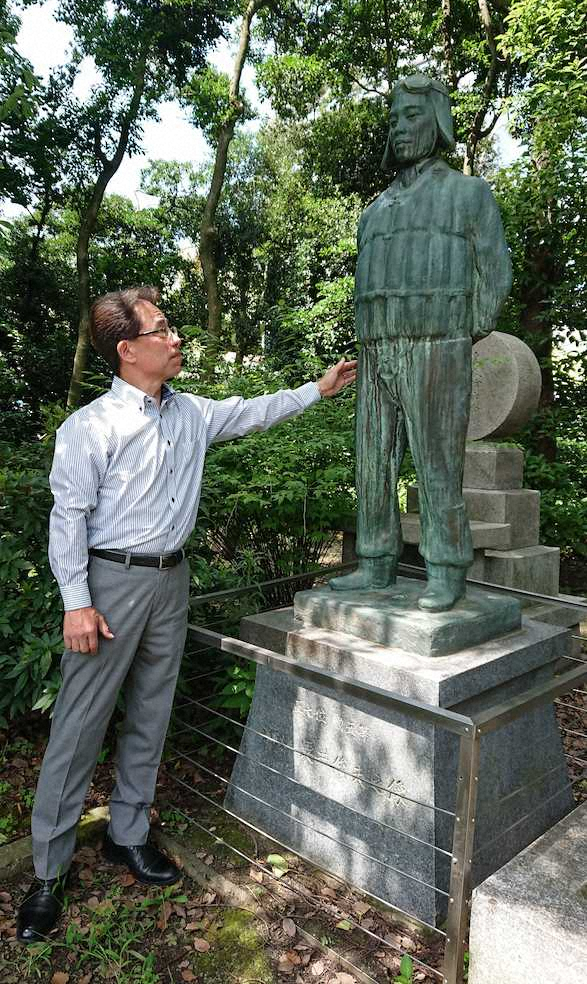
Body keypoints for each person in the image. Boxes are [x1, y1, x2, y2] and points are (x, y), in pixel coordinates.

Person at [17, 285, 357, 943]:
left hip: (172, 581)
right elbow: (69, 519)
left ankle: (128, 833)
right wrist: (77, 602)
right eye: (163, 329)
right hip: (107, 586)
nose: (177, 340)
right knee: (79, 729)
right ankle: (47, 873)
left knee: (151, 710)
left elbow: (252, 411)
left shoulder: (191, 412)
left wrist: (317, 390)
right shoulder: (89, 427)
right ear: (128, 349)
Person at [330, 73, 511, 611]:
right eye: (394, 120)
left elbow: (494, 270)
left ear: (437, 121)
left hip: (437, 344)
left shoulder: (467, 193)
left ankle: (446, 566)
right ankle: (376, 563)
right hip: (377, 347)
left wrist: (463, 326)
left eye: (412, 117)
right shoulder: (375, 210)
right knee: (373, 463)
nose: (401, 128)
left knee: (436, 464)